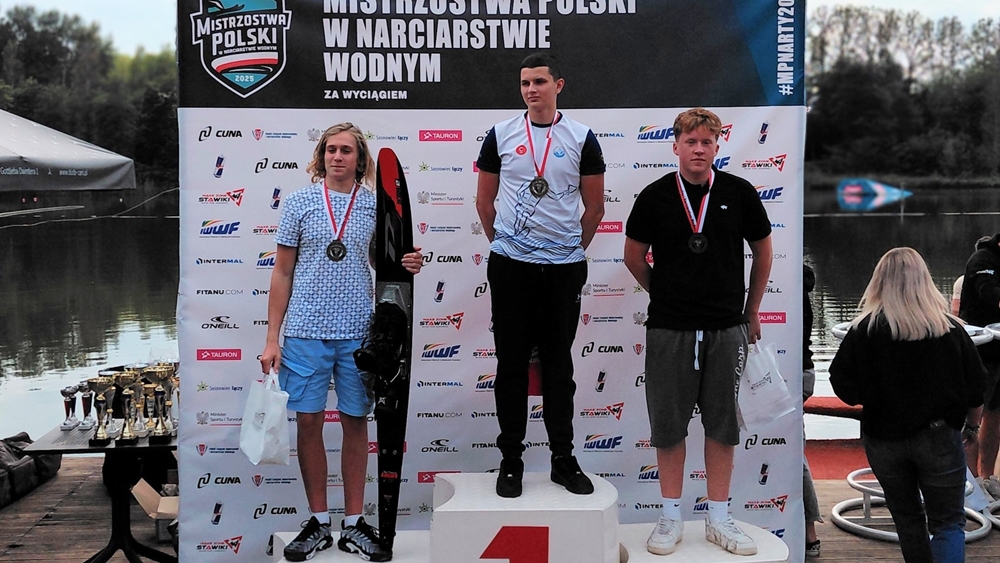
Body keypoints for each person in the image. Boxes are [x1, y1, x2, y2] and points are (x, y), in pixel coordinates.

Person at [259, 123, 423, 562]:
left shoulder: (372, 205)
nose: (337, 157)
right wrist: (272, 338)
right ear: (321, 156)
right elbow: (282, 272)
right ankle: (317, 521)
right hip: (305, 332)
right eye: (330, 149)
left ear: (359, 159)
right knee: (309, 424)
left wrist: (408, 261)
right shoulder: (299, 202)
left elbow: (385, 262)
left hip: (357, 333)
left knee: (355, 423)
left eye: (346, 150)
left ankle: (353, 523)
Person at [623, 107, 772, 556]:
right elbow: (633, 256)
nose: (699, 149)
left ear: (717, 146)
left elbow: (764, 252)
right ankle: (671, 517)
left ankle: (719, 517)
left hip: (726, 327)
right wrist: (665, 294)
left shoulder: (739, 192)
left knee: (722, 425)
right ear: (676, 146)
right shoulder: (654, 196)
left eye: (707, 142)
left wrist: (752, 310)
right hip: (670, 328)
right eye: (691, 142)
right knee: (669, 427)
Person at [475, 52, 606, 498]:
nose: (531, 89)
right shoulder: (501, 134)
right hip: (511, 266)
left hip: (563, 269)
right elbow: (485, 203)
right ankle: (511, 460)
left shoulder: (582, 137)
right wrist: (510, 247)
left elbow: (595, 208)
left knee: (557, 366)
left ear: (558, 85)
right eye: (525, 83)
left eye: (539, 82)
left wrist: (566, 250)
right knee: (511, 364)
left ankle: (562, 460)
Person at [830, 247, 986, 563]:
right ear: (925, 281)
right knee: (948, 522)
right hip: (939, 435)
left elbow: (842, 384)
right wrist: (972, 427)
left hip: (884, 437)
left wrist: (872, 395)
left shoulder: (863, 331)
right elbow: (977, 386)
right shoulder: (949, 329)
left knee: (907, 518)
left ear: (879, 282)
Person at [959, 233, 1000, 497]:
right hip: (979, 353)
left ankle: (987, 477)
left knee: (996, 415)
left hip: (999, 352)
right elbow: (990, 295)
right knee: (972, 418)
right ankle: (970, 484)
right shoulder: (982, 260)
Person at [802, 264, 822, 558]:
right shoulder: (799, 276)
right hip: (801, 370)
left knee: (791, 449)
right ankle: (809, 532)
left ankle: (809, 530)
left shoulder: (791, 278)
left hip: (790, 371)